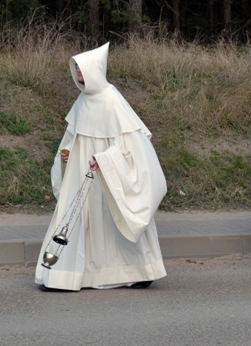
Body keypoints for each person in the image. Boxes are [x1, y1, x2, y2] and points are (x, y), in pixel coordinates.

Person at [36, 42, 167, 291]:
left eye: (82, 69)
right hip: (82, 175)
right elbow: (71, 140)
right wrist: (65, 156)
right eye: (76, 70)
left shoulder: (112, 101)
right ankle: (65, 275)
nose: (78, 75)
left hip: (107, 177)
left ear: (95, 70)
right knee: (77, 220)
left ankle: (140, 270)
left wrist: (106, 160)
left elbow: (132, 150)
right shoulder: (81, 102)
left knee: (116, 218)